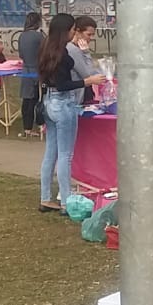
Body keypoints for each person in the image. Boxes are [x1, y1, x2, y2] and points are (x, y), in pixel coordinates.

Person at [38, 14, 107, 212]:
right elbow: (64, 84)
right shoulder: (64, 53)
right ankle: (66, 201)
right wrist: (87, 82)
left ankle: (45, 197)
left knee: (51, 152)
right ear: (67, 30)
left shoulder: (46, 48)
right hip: (63, 103)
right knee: (66, 155)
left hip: (49, 102)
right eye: (72, 29)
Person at [18, 12, 46, 138]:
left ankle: (27, 128)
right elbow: (46, 52)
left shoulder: (22, 36)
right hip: (37, 71)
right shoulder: (39, 36)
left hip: (26, 71)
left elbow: (21, 55)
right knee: (39, 100)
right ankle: (41, 124)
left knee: (27, 100)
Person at [67, 15, 101, 104]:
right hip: (76, 96)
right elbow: (88, 74)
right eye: (88, 34)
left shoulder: (76, 48)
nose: (91, 38)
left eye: (93, 35)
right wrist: (86, 53)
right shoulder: (73, 50)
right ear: (77, 31)